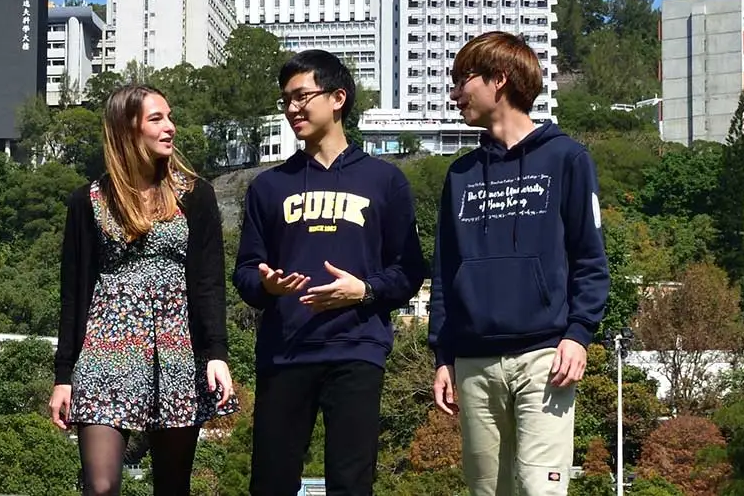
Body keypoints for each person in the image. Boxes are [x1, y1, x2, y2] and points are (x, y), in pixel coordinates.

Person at [233, 50, 429, 496]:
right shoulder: (268, 186)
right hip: (285, 352)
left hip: (356, 350)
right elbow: (244, 272)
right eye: (286, 99)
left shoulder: (385, 181)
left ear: (338, 97)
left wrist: (365, 291)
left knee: (351, 482)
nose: (292, 109)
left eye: (302, 96)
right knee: (271, 482)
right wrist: (265, 286)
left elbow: (409, 270)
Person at [429, 31, 610, 496]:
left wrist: (579, 333)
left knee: (539, 489)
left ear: (499, 79)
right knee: (487, 492)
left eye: (461, 80)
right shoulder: (460, 175)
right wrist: (442, 355)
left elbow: (590, 257)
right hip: (472, 360)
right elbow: (445, 271)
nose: (454, 95)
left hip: (544, 358)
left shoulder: (567, 158)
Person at [49, 84, 238, 496]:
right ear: (126, 130)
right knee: (100, 487)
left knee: (172, 487)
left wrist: (217, 353)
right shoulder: (88, 201)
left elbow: (208, 281)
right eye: (157, 119)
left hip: (177, 349)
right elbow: (74, 293)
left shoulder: (196, 195)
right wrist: (63, 376)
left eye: (170, 118)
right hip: (105, 347)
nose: (170, 127)